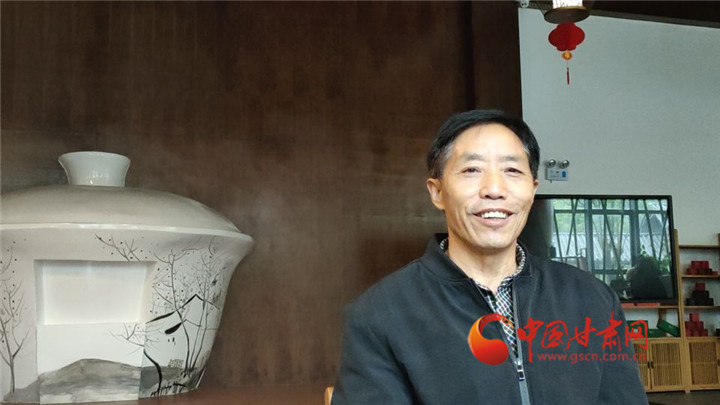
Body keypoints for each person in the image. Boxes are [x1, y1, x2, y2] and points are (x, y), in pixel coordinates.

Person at [332, 110, 647, 404]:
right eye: (472, 170)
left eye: (512, 170)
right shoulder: (377, 316)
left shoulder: (593, 299)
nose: (494, 189)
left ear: (532, 189)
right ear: (437, 192)